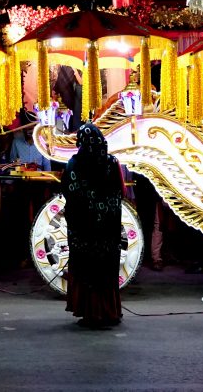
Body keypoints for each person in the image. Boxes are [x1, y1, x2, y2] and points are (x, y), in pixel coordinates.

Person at [61, 122, 125, 329]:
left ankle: (90, 313)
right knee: (106, 269)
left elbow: (68, 191)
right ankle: (110, 311)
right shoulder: (112, 162)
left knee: (86, 268)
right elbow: (122, 192)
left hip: (83, 229)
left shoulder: (73, 164)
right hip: (108, 229)